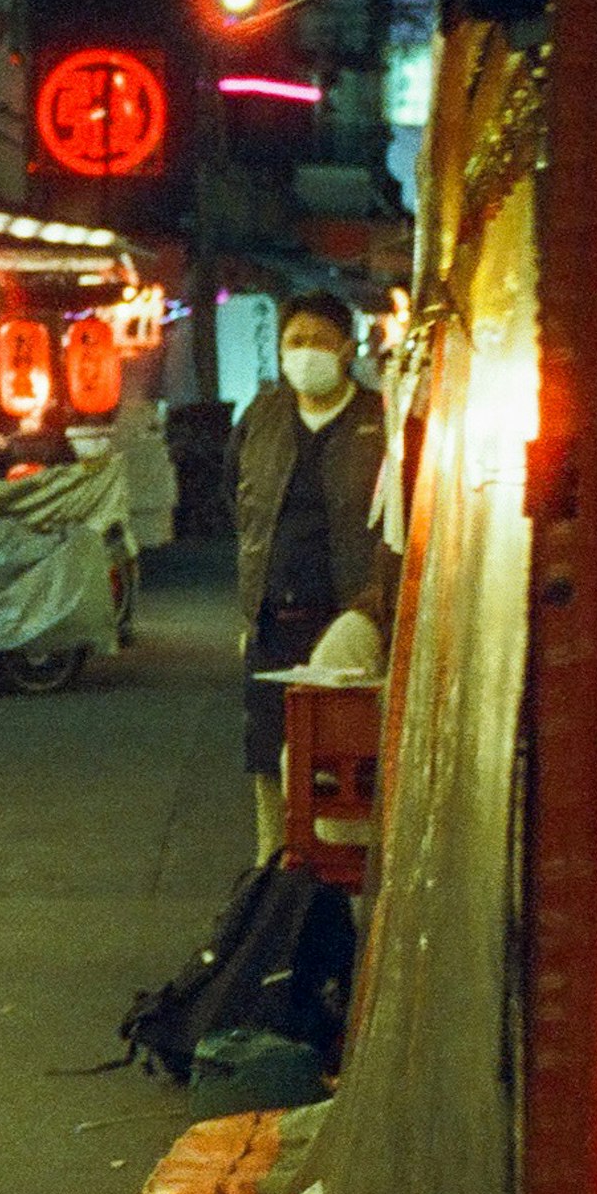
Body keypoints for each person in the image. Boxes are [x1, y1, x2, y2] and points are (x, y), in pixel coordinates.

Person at [234, 292, 398, 863]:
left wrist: (378, 603)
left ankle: (342, 897)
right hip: (272, 624)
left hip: (348, 625)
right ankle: (275, 887)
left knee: (339, 771)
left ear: (347, 350)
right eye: (294, 342)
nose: (306, 354)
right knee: (268, 765)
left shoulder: (380, 420)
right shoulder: (263, 417)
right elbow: (241, 500)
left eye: (319, 342)